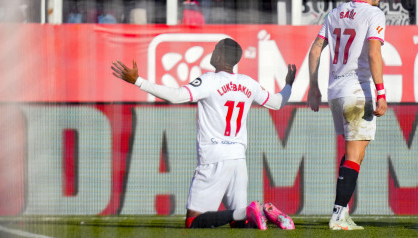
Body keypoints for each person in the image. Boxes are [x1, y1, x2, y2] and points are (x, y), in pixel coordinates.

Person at [112, 38, 296, 230]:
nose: (212, 52)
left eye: (215, 49)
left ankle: (250, 210)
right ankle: (266, 213)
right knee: (239, 225)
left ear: (219, 55)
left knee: (194, 223)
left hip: (214, 158)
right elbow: (277, 102)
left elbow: (176, 96)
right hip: (238, 160)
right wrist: (289, 84)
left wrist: (138, 81)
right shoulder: (248, 83)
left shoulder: (209, 81)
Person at [307, 0, 387, 231]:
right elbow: (374, 53)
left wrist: (313, 86)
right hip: (356, 91)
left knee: (355, 153)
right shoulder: (373, 13)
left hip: (336, 92)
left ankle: (343, 212)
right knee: (354, 154)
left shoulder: (335, 12)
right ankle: (338, 215)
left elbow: (315, 50)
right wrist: (380, 92)